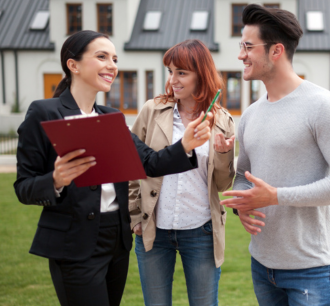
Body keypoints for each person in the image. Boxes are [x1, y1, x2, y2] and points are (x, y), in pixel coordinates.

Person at [14, 30, 213, 306]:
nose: (112, 65)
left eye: (115, 58)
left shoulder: (112, 118)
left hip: (116, 243)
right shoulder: (44, 112)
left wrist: (185, 146)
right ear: (73, 65)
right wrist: (56, 180)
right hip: (74, 244)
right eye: (102, 56)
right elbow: (24, 187)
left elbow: (149, 163)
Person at [220, 4, 330, 306]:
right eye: (240, 46)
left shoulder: (325, 106)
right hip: (261, 263)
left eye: (248, 46)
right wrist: (242, 207)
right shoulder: (250, 115)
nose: (240, 55)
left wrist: (275, 196)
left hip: (309, 268)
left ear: (276, 51)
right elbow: (244, 176)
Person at [129, 39, 235, 306]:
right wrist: (134, 216)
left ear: (202, 74)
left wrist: (223, 154)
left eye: (182, 72)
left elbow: (222, 185)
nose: (173, 80)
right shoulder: (151, 111)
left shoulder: (222, 120)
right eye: (171, 72)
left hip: (200, 230)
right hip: (154, 228)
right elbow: (131, 164)